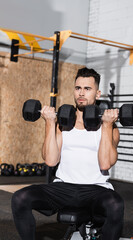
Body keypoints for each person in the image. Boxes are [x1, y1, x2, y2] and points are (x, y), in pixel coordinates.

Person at [11, 67, 124, 240]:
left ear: (98, 93)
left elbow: (105, 164)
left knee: (116, 205)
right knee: (20, 198)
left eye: (87, 89)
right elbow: (50, 160)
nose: (81, 93)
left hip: (96, 189)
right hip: (63, 187)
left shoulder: (109, 127)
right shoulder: (62, 123)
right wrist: (49, 122)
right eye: (78, 88)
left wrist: (107, 125)